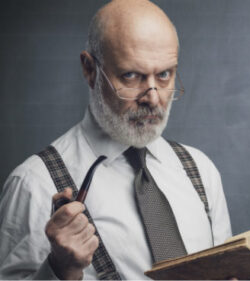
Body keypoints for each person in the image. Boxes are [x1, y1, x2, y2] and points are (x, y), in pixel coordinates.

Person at [0, 0, 232, 279]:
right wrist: (59, 270)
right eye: (132, 75)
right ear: (89, 70)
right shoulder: (34, 184)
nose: (153, 98)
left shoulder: (200, 171)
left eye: (164, 74)